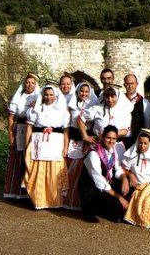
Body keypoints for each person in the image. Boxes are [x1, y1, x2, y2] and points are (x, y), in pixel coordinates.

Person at [23, 85, 70, 209]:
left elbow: (66, 131)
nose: (48, 97)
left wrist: (65, 147)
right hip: (39, 143)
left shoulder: (62, 111)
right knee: (39, 170)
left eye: (51, 94)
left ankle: (55, 201)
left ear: (56, 96)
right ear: (43, 95)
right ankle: (39, 200)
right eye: (46, 94)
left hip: (55, 144)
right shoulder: (36, 109)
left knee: (54, 171)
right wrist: (27, 145)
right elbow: (29, 127)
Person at [78, 125, 129, 223]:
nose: (111, 141)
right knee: (117, 208)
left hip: (106, 186)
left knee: (127, 192)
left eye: (114, 139)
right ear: (102, 137)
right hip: (92, 190)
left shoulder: (113, 151)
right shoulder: (94, 153)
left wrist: (124, 179)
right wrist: (119, 197)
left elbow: (117, 169)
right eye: (108, 138)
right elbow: (99, 181)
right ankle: (92, 210)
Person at [64, 82, 98, 210]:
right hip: (74, 140)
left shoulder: (93, 106)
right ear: (77, 92)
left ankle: (81, 201)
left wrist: (87, 139)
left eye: (86, 92)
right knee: (70, 170)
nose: (84, 94)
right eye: (81, 91)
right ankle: (69, 200)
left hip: (87, 141)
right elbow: (67, 126)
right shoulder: (71, 106)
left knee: (83, 171)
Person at [4, 73, 39, 199]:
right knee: (18, 159)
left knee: (30, 159)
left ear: (36, 84)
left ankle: (29, 193)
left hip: (33, 129)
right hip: (19, 129)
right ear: (24, 84)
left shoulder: (38, 97)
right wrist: (10, 135)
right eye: (27, 82)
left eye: (32, 83)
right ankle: (15, 191)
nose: (29, 85)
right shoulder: (18, 97)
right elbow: (11, 117)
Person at [123, 73, 150, 148]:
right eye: (127, 84)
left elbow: (147, 125)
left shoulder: (144, 102)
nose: (130, 86)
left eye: (132, 83)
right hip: (121, 140)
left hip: (137, 141)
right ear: (124, 85)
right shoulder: (120, 101)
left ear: (137, 84)